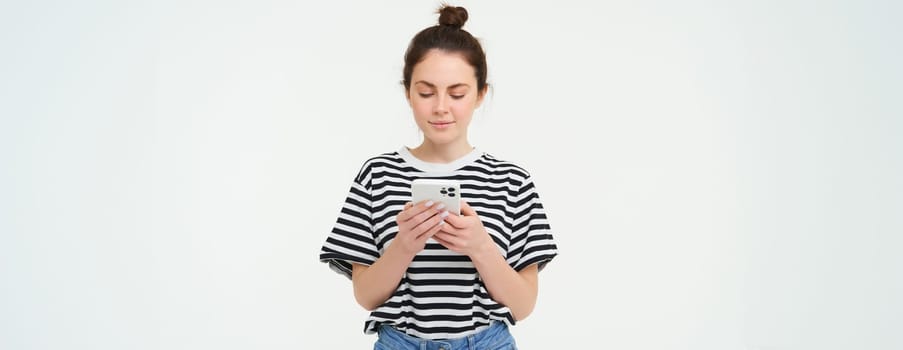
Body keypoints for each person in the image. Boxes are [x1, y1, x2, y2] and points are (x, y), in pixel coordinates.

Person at [319, 5, 558, 349]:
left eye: (457, 94)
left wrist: (479, 246)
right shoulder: (377, 175)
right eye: (426, 92)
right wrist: (404, 245)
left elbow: (523, 305)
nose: (441, 107)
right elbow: (366, 297)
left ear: (480, 95)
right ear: (408, 93)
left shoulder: (512, 181)